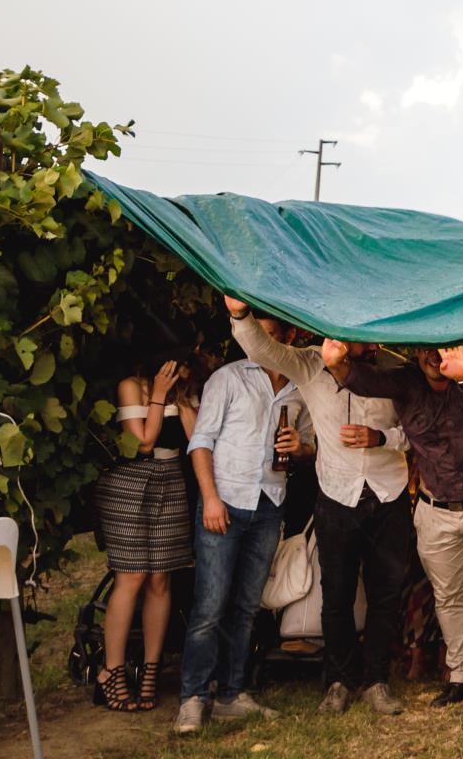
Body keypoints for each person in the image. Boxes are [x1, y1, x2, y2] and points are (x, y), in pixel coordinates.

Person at [226, 299, 410, 717]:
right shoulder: (310, 364)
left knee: (386, 594)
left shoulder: (397, 367)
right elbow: (262, 350)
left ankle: (377, 681)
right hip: (337, 494)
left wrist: (382, 439)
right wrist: (240, 315)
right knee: (336, 595)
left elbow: (421, 433)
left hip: (389, 492)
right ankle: (340, 682)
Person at [325, 336, 463, 703]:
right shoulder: (406, 380)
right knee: (448, 596)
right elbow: (361, 379)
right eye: (424, 347)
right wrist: (337, 363)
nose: (432, 355)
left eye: (441, 346)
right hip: (435, 509)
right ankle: (462, 675)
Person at [175, 319, 313, 735]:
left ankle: (232, 695)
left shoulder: (298, 385)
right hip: (226, 502)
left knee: (247, 608)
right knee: (209, 607)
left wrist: (300, 448)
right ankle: (193, 698)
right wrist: (211, 499)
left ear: (290, 337)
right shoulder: (228, 377)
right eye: (264, 329)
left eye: (279, 331)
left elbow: (308, 444)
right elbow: (201, 441)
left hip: (269, 505)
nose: (272, 337)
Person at [93, 355, 198, 712]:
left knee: (160, 579)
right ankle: (112, 671)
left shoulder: (181, 392)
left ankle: (151, 671)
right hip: (128, 482)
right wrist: (158, 394)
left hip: (170, 479)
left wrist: (182, 400)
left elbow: (196, 440)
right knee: (132, 575)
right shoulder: (130, 386)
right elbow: (144, 442)